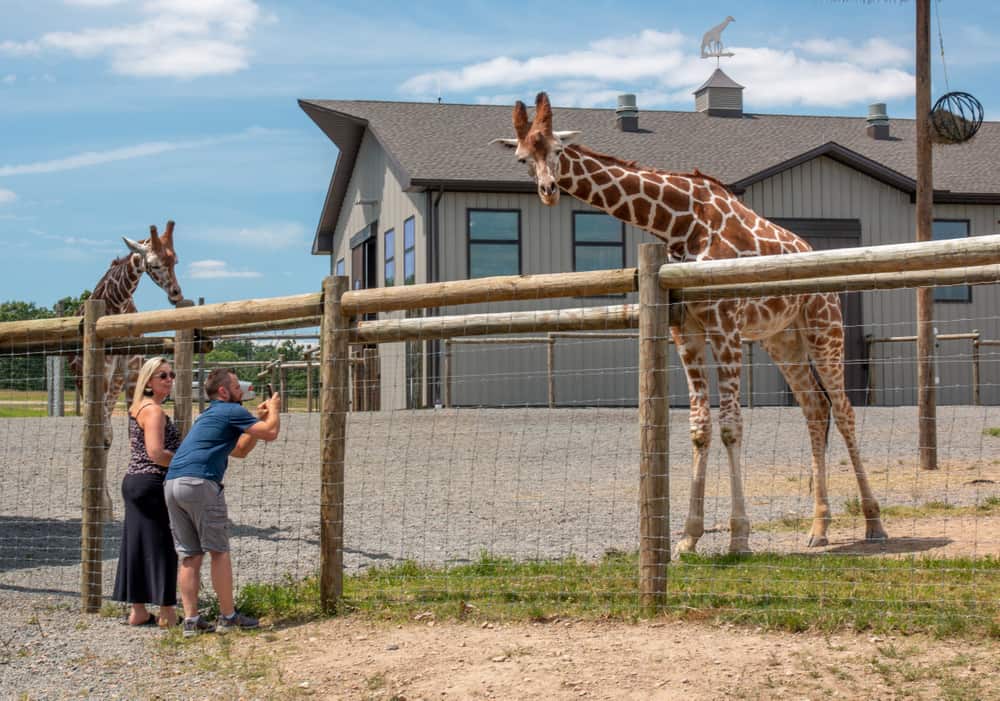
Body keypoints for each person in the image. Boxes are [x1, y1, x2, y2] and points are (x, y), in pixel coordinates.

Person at [165, 367, 281, 637]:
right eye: (237, 387)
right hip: (200, 483)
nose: (242, 391)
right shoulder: (231, 410)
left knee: (190, 554)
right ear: (223, 391)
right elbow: (272, 433)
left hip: (173, 484)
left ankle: (192, 621)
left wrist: (258, 420)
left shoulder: (209, 416)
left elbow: (239, 450)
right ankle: (228, 617)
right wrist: (274, 409)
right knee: (219, 550)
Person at [112, 356, 180, 627]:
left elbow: (135, 449)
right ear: (149, 381)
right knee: (164, 545)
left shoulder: (136, 408)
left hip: (135, 482)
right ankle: (167, 612)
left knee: (136, 544)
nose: (169, 380)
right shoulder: (153, 411)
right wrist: (186, 460)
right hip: (151, 482)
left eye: (171, 374)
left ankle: (138, 610)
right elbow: (155, 453)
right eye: (162, 375)